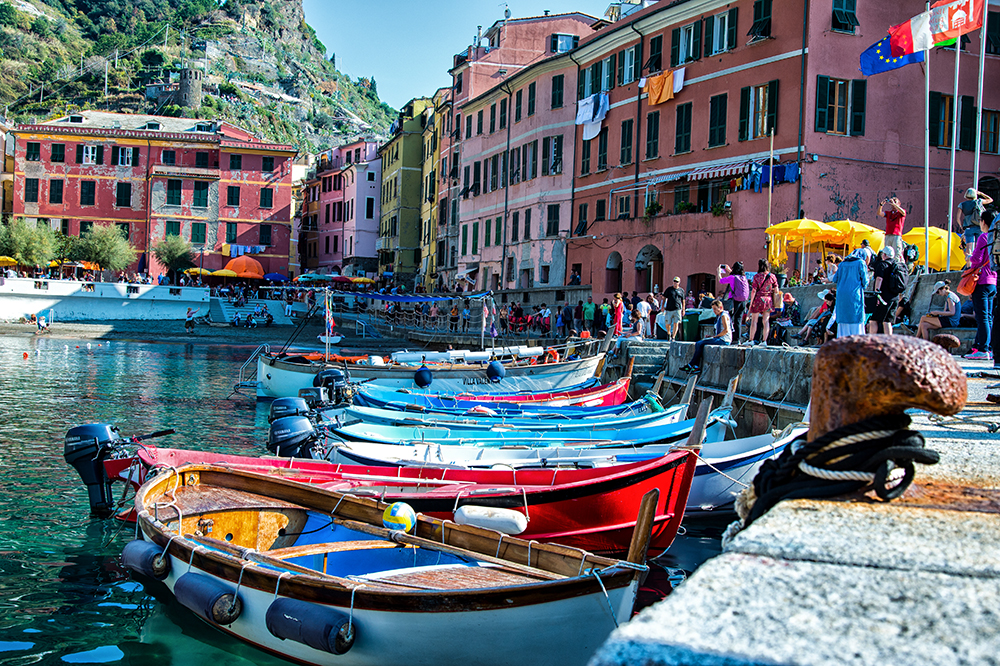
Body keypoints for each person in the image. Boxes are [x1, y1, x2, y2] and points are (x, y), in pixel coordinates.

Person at [963, 213, 997, 359]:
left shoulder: (984, 237)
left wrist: (969, 257)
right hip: (993, 281)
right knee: (988, 317)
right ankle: (983, 347)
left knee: (982, 317)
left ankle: (983, 349)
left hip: (982, 281)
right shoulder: (996, 237)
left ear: (983, 222)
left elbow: (976, 260)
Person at [680, 300, 732, 372]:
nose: (714, 311)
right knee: (699, 343)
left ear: (720, 307)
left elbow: (726, 330)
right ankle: (694, 366)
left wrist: (715, 337)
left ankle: (692, 365)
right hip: (720, 338)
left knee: (699, 343)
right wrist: (711, 336)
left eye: (715, 309)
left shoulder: (723, 316)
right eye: (713, 309)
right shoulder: (719, 316)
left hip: (724, 340)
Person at [867, 246, 906, 335]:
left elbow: (879, 279)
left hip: (883, 298)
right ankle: (889, 342)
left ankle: (872, 342)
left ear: (884, 254)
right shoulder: (897, 264)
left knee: (873, 320)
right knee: (887, 321)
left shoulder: (882, 264)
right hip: (894, 297)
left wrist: (877, 293)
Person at [832, 248, 869, 337]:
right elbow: (865, 281)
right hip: (854, 293)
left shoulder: (842, 264)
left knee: (843, 318)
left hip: (841, 294)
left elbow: (834, 279)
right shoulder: (861, 263)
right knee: (856, 317)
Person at [747, 259, 778, 345]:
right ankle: (764, 341)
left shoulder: (757, 276)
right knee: (766, 321)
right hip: (768, 300)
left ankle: (751, 340)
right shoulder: (772, 276)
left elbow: (753, 291)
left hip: (758, 299)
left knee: (754, 321)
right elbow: (776, 290)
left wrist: (751, 302)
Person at [718, 262, 749, 343]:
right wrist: (729, 270)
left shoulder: (732, 278)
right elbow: (736, 276)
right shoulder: (744, 277)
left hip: (734, 301)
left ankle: (727, 337)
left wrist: (718, 272)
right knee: (738, 320)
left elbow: (721, 281)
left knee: (729, 319)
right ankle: (737, 339)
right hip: (743, 302)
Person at [959, 187, 994, 257]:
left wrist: (961, 226)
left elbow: (958, 218)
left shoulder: (962, 204)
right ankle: (979, 259)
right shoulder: (979, 201)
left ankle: (969, 262)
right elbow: (990, 200)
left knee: (969, 246)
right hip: (978, 226)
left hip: (968, 227)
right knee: (979, 245)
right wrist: (981, 193)